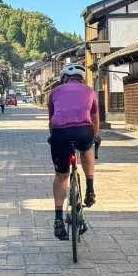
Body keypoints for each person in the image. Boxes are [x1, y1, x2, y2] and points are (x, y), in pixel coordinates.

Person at [48, 64, 99, 240]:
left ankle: (58, 220)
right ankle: (90, 189)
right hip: (84, 131)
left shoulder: (54, 92)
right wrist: (94, 137)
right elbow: (94, 119)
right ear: (82, 79)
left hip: (60, 133)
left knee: (61, 175)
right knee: (86, 150)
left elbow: (52, 121)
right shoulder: (90, 91)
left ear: (64, 78)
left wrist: (53, 138)